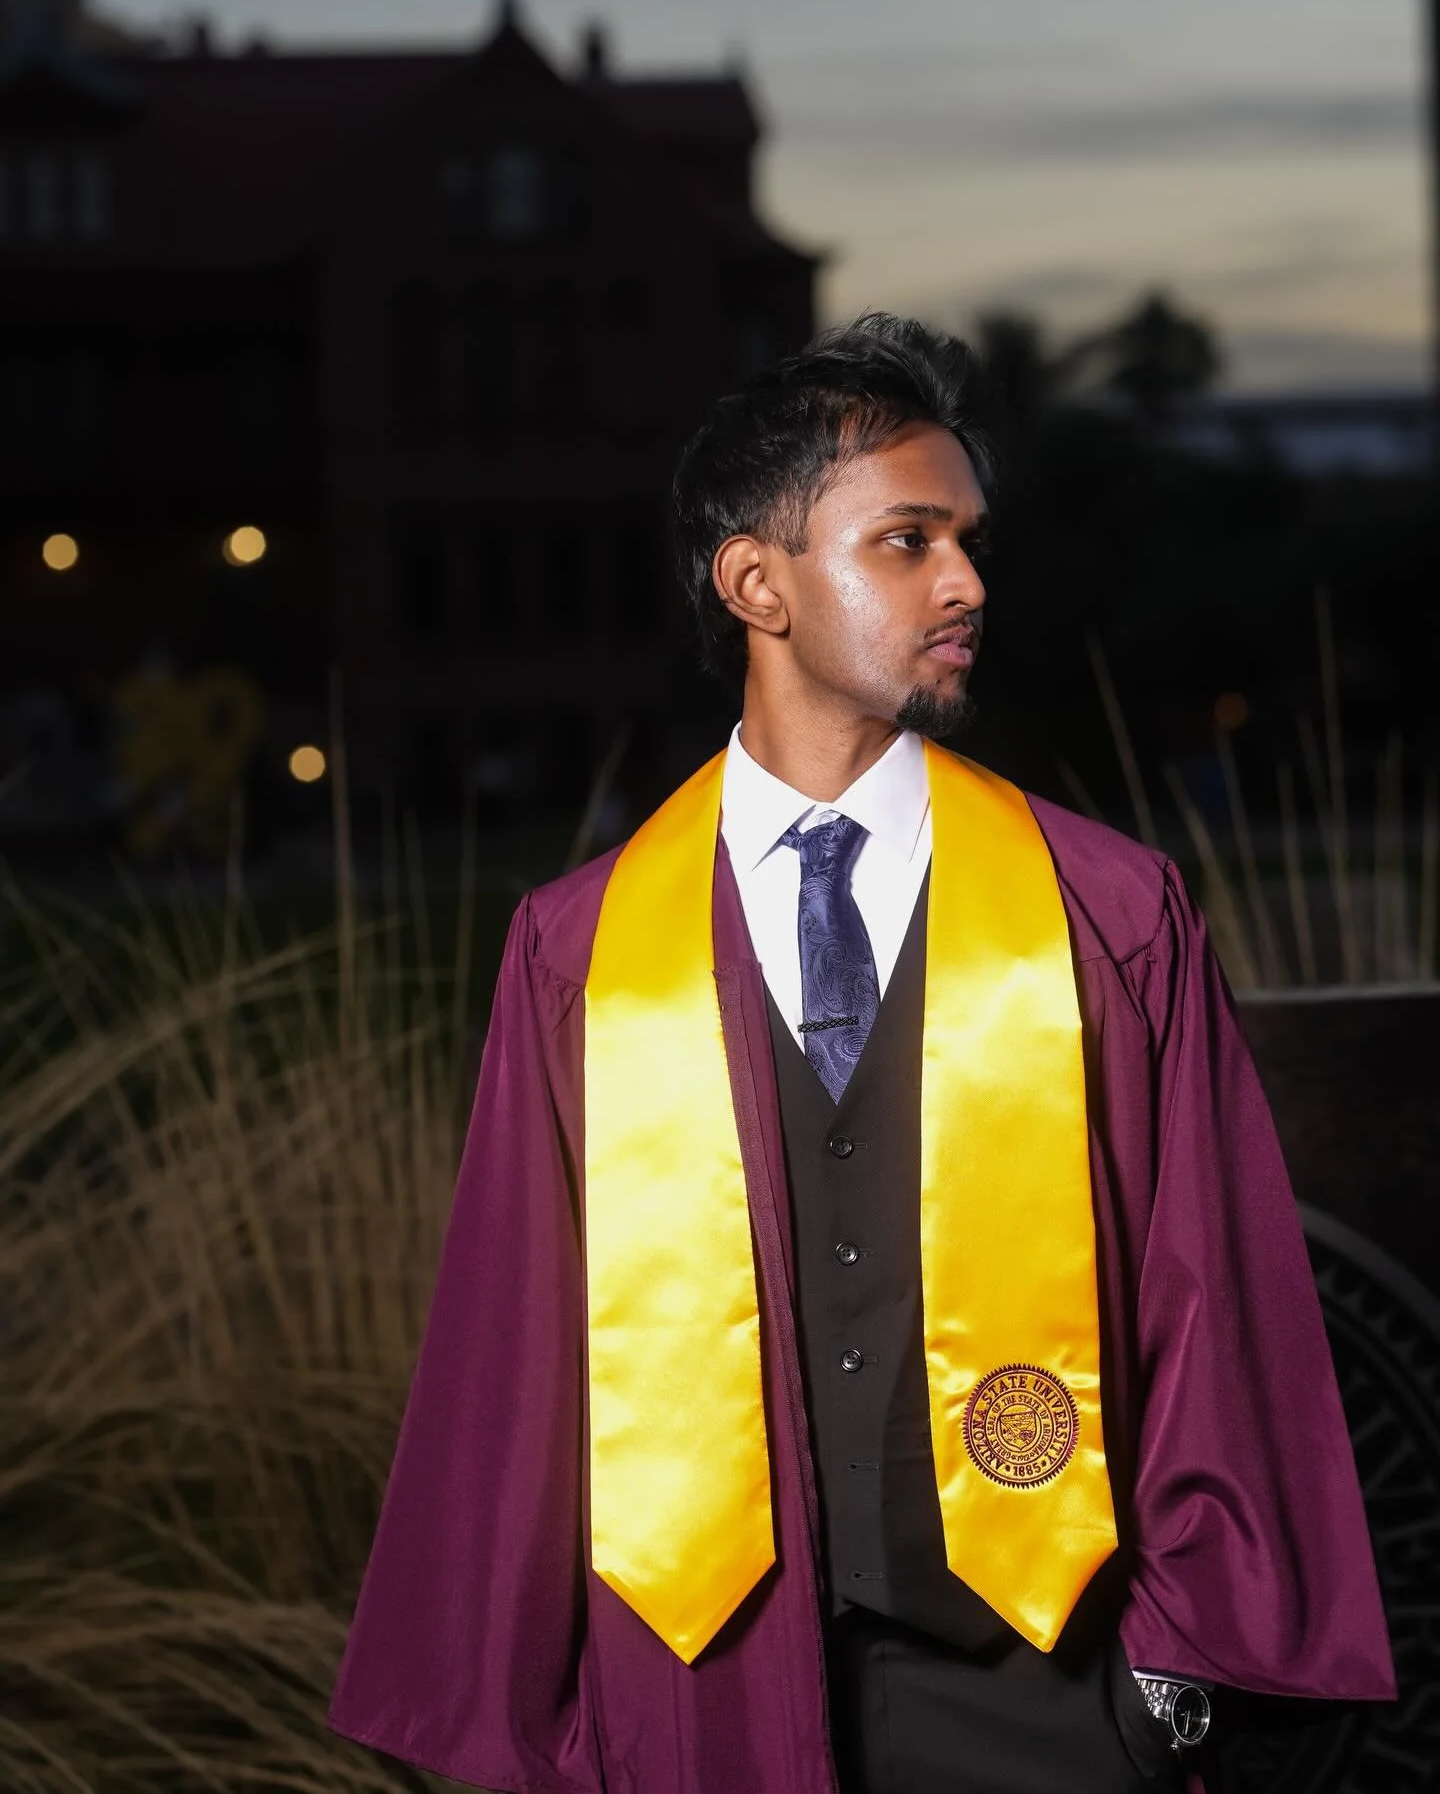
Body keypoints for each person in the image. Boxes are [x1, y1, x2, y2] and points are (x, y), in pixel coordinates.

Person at [327, 315, 1393, 1794]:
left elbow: (1215, 1311)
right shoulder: (578, 951)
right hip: (705, 1689)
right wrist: (557, 1727)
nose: (965, 582)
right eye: (905, 540)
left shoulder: (1107, 912)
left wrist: (1166, 1691)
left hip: (1051, 1688)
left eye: (967, 539)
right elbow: (521, 1352)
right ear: (756, 581)